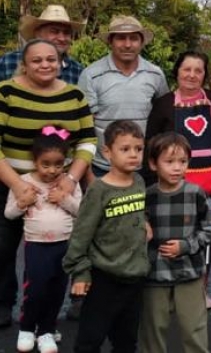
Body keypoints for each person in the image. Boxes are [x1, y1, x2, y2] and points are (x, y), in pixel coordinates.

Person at [0, 39, 96, 329]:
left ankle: (66, 304)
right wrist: (17, 185)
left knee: (62, 247)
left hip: (60, 186)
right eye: (37, 60)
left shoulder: (75, 96)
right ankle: (5, 303)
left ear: (60, 62)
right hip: (10, 182)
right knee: (4, 247)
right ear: (25, 64)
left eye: (51, 59)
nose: (45, 65)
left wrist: (70, 179)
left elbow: (88, 141)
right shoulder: (7, 93)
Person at [145, 51, 211, 309]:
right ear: (177, 72)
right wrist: (152, 179)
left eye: (198, 70)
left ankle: (199, 290)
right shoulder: (163, 104)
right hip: (173, 182)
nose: (192, 75)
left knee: (207, 235)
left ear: (205, 75)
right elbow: (151, 142)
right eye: (187, 69)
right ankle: (172, 288)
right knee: (172, 234)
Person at [63, 120, 148, 353]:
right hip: (103, 278)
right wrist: (80, 272)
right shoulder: (99, 190)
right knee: (91, 339)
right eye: (125, 149)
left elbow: (138, 212)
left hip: (134, 276)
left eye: (138, 149)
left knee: (126, 340)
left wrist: (145, 223)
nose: (133, 155)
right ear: (107, 152)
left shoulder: (139, 182)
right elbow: (81, 233)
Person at [4, 127, 83, 353]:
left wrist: (64, 199)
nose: (52, 170)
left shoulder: (69, 184)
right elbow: (9, 214)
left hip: (64, 245)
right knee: (35, 289)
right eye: (45, 164)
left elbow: (83, 211)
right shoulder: (23, 182)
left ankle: (47, 330)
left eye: (58, 164)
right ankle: (27, 328)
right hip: (36, 245)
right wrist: (22, 202)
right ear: (34, 160)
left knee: (57, 290)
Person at [139, 132, 211, 353]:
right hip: (155, 273)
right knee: (153, 329)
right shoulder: (147, 196)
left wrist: (186, 246)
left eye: (182, 161)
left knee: (194, 328)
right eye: (169, 161)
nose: (177, 168)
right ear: (153, 164)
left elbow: (209, 228)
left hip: (189, 272)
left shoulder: (196, 194)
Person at [78, 15, 168, 179]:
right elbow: (85, 128)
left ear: (141, 42)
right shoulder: (91, 75)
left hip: (144, 167)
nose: (127, 44)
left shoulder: (155, 74)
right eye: (120, 38)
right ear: (110, 41)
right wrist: (88, 173)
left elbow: (163, 117)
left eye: (133, 38)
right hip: (103, 168)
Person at [0, 4, 85, 84]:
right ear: (37, 34)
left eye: (66, 33)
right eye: (54, 31)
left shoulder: (77, 70)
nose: (61, 38)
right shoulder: (9, 61)